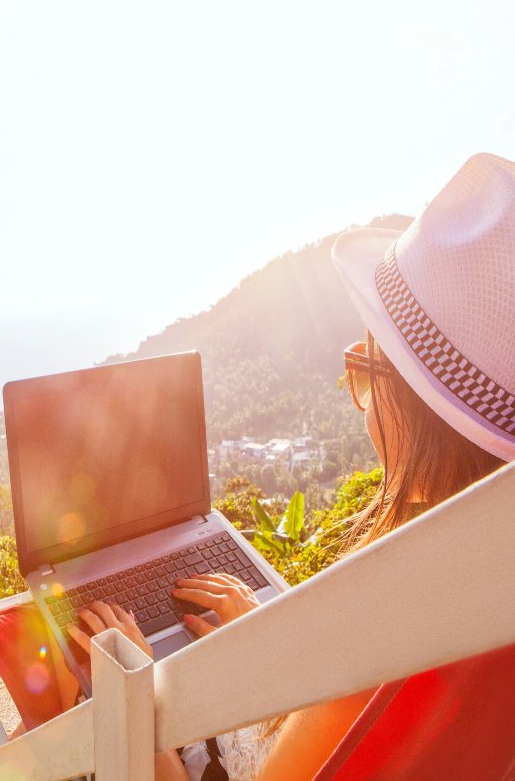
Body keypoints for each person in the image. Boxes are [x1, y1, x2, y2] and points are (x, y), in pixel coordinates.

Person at [64, 152, 515, 780]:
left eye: (365, 371)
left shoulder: (379, 634)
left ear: (423, 420)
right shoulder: (481, 597)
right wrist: (276, 646)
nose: (360, 407)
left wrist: (131, 702)